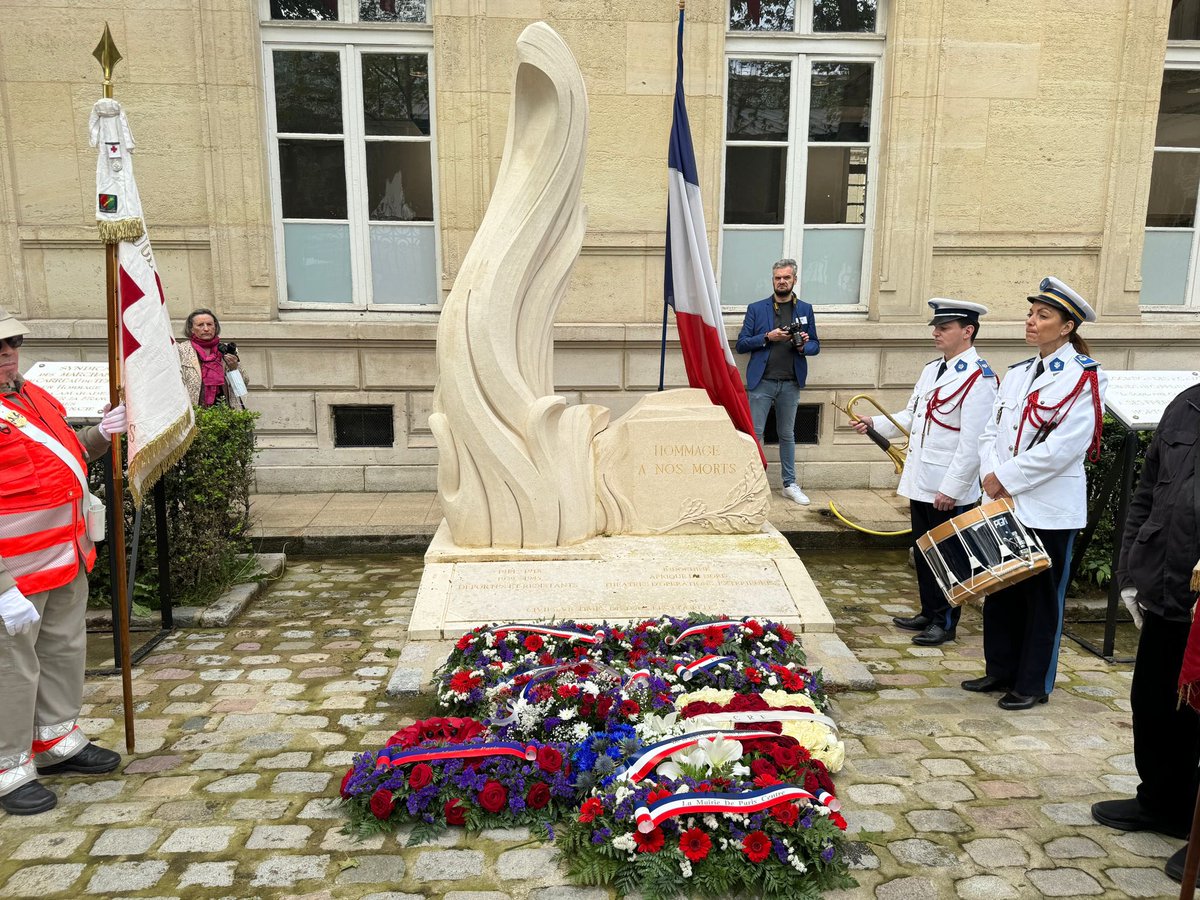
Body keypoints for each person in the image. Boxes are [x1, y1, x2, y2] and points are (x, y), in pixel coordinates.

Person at [0, 311, 128, 815]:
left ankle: (55, 739)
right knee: (10, 670)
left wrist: (101, 433)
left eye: (11, 342)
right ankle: (8, 764)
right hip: (13, 576)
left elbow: (67, 454)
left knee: (63, 651)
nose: (7, 352)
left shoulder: (31, 396)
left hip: (64, 557)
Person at [967, 276, 1108, 710]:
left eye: (1042, 316)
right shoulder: (1018, 373)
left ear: (1067, 327)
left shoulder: (1083, 378)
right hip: (1005, 499)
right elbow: (991, 431)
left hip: (1047, 507)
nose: (1031, 321)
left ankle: (1032, 683)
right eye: (1031, 313)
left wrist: (1006, 477)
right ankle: (1001, 669)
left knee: (1042, 599)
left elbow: (1066, 448)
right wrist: (991, 476)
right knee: (1002, 588)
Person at [1090, 379, 1200, 885]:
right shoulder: (1188, 404)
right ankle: (1162, 802)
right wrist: (1134, 570)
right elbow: (1146, 493)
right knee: (1153, 704)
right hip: (1166, 587)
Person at [851, 299, 997, 646]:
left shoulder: (980, 378)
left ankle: (946, 622)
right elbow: (911, 418)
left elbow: (974, 442)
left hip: (948, 486)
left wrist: (952, 487)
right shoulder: (933, 369)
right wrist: (875, 423)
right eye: (936, 327)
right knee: (924, 550)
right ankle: (929, 611)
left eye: (944, 328)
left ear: (967, 331)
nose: (936, 332)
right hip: (922, 480)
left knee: (949, 555)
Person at [735, 258, 820, 505]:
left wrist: (804, 345)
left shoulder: (804, 309)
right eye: (777, 278)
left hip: (790, 381)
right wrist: (767, 336)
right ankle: (753, 484)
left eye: (786, 277)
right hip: (762, 381)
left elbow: (816, 344)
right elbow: (741, 344)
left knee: (787, 434)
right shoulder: (756, 308)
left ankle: (789, 484)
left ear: (794, 279)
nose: (781, 281)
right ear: (772, 280)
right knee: (755, 434)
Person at [177, 308, 246, 409]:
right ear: (191, 329)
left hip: (225, 409)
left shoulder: (226, 349)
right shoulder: (181, 350)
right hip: (195, 411)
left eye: (209, 324)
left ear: (215, 326)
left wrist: (234, 368)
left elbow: (242, 387)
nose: (206, 329)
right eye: (200, 325)